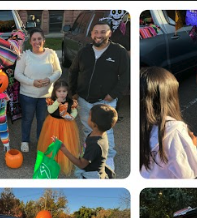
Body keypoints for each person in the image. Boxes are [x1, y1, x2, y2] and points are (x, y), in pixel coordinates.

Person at [69, 20, 129, 171]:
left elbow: (126, 75)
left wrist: (113, 94)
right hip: (84, 99)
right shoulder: (84, 51)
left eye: (103, 32)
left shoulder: (119, 51)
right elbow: (73, 71)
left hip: (105, 101)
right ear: (91, 34)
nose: (98, 35)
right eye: (96, 32)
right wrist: (73, 91)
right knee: (87, 129)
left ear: (110, 34)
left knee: (105, 131)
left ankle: (108, 158)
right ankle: (90, 154)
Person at [140, 67, 197, 179]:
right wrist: (192, 146)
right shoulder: (174, 130)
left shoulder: (139, 125)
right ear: (169, 97)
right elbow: (187, 174)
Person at [14, 28, 62, 153]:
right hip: (28, 95)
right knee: (27, 119)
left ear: (44, 40)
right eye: (34, 39)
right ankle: (25, 141)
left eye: (39, 39)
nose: (37, 42)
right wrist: (32, 82)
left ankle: (41, 141)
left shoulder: (51, 54)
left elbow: (58, 71)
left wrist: (49, 79)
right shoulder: (25, 56)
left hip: (45, 96)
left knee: (42, 120)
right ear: (30, 42)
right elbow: (17, 74)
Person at [59, 104, 118, 179]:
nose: (87, 117)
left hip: (92, 177)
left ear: (94, 124)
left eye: (89, 116)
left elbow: (81, 164)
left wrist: (64, 149)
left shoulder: (95, 144)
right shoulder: (101, 133)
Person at [37, 79, 81, 176]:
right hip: (53, 123)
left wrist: (72, 116)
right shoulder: (52, 101)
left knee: (65, 141)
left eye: (64, 91)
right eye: (59, 91)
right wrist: (57, 102)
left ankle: (63, 159)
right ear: (55, 92)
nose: (62, 94)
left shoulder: (70, 101)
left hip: (66, 124)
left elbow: (74, 111)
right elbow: (50, 110)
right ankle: (51, 158)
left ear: (67, 92)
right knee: (51, 141)